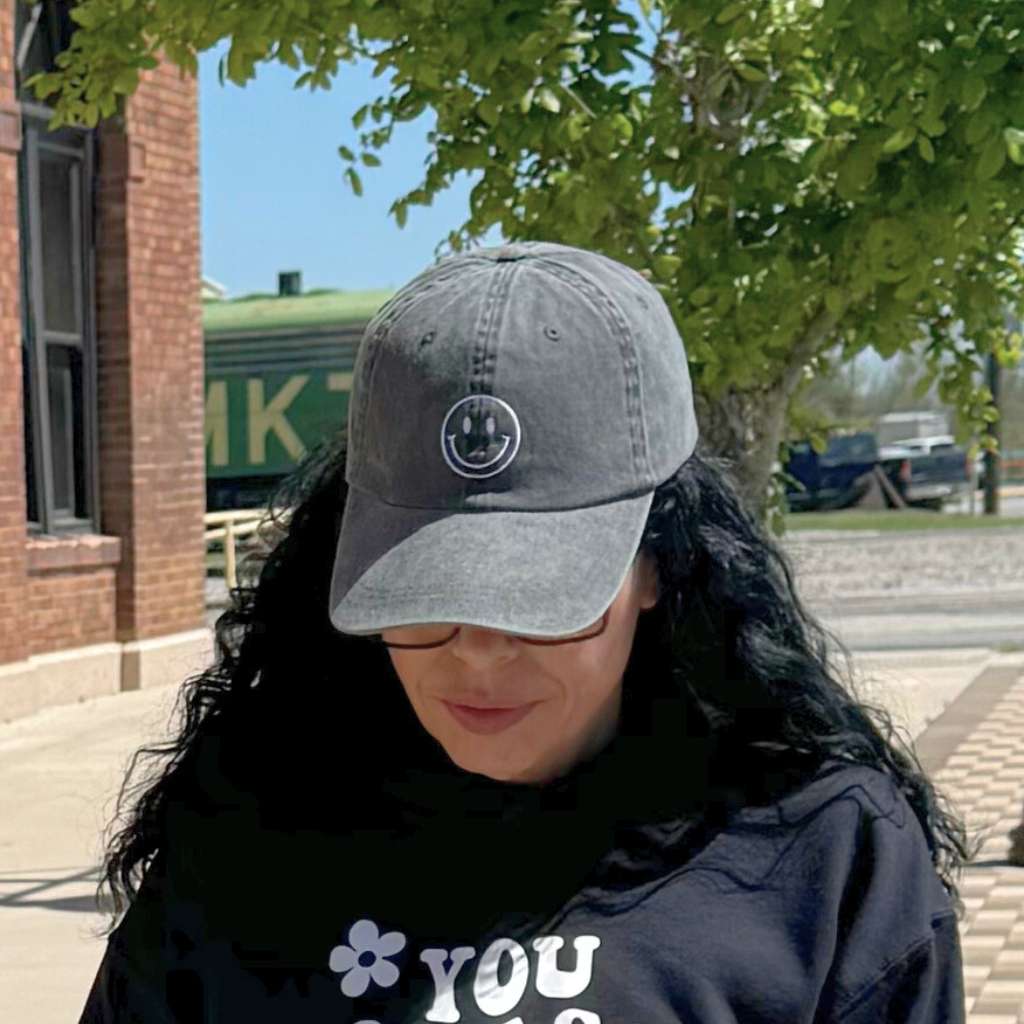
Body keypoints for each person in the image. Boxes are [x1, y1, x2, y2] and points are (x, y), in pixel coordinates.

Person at [79, 241, 972, 1024]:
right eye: (424, 594)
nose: (477, 650)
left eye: (540, 598)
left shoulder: (827, 860)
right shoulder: (242, 835)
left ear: (659, 562)